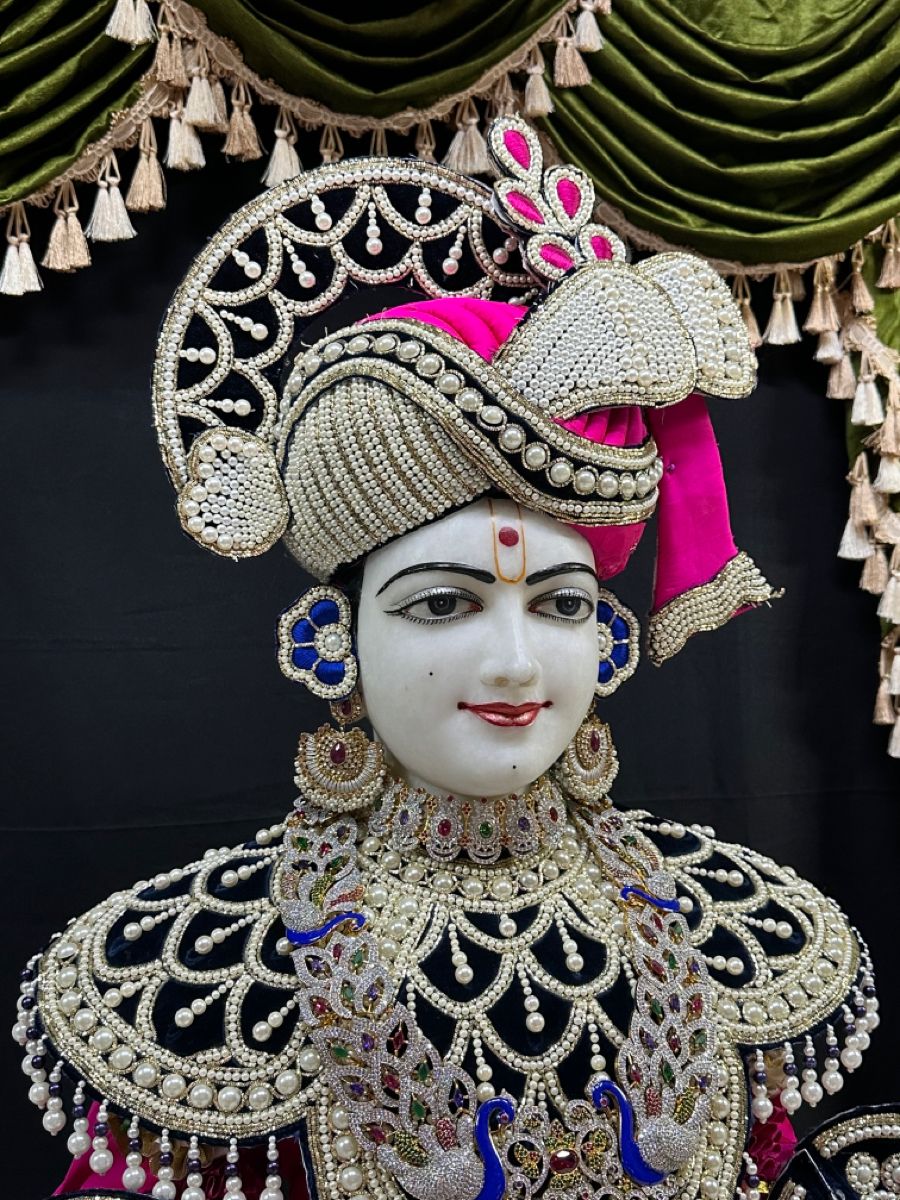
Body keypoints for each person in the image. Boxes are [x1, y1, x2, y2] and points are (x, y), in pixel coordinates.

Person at [12, 117, 879, 1200]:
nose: (517, 662)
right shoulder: (199, 977)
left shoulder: (728, 929)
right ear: (338, 641)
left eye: (562, 604)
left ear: (608, 636)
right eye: (439, 605)